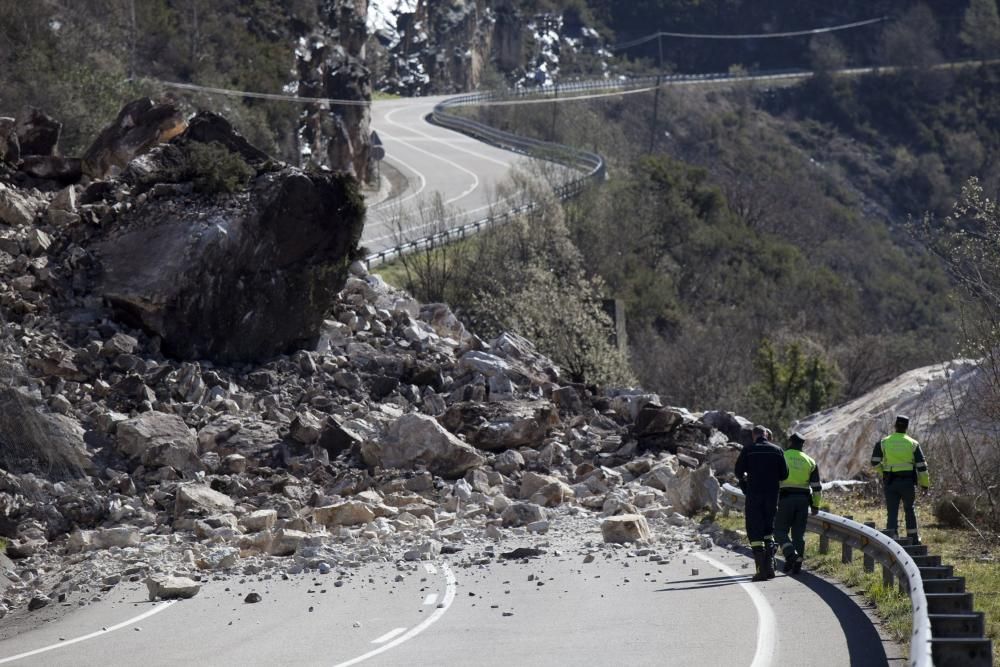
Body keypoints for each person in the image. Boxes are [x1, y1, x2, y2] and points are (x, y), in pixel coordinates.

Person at [735, 425, 789, 581]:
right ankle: (770, 567)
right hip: (772, 496)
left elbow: (738, 472)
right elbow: (784, 474)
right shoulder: (777, 450)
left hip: (754, 496)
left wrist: (746, 481)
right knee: (768, 530)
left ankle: (761, 570)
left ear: (754, 435)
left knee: (755, 531)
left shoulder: (748, 450)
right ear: (766, 434)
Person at [871, 415, 930, 544]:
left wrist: (884, 473)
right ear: (907, 427)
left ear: (895, 425)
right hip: (908, 483)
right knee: (909, 509)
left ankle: (892, 540)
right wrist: (925, 485)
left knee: (892, 511)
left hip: (890, 482)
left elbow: (874, 462)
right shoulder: (913, 443)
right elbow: (922, 467)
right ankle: (913, 539)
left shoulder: (884, 442)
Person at [774, 432, 822, 575]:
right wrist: (815, 505)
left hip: (785, 499)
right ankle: (797, 563)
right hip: (803, 501)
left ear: (790, 443)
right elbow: (817, 487)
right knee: (798, 534)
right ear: (802, 445)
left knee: (779, 531)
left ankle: (790, 554)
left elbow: (774, 480)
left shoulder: (782, 456)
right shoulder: (810, 461)